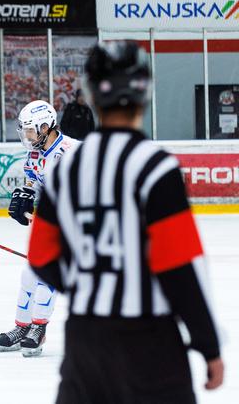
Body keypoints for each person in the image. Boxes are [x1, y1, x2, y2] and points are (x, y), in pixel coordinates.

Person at [28, 41, 223, 402]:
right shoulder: (157, 166)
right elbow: (181, 265)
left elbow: (41, 255)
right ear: (144, 93)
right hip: (153, 343)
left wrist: (91, 284)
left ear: (91, 94)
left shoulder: (64, 169)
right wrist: (208, 344)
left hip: (87, 344)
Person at [0, 99, 78, 357]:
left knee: (46, 274)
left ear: (45, 126)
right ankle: (22, 326)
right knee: (29, 274)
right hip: (48, 223)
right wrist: (24, 197)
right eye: (25, 131)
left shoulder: (73, 151)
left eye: (30, 130)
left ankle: (39, 328)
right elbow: (33, 182)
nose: (27, 136)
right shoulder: (34, 153)